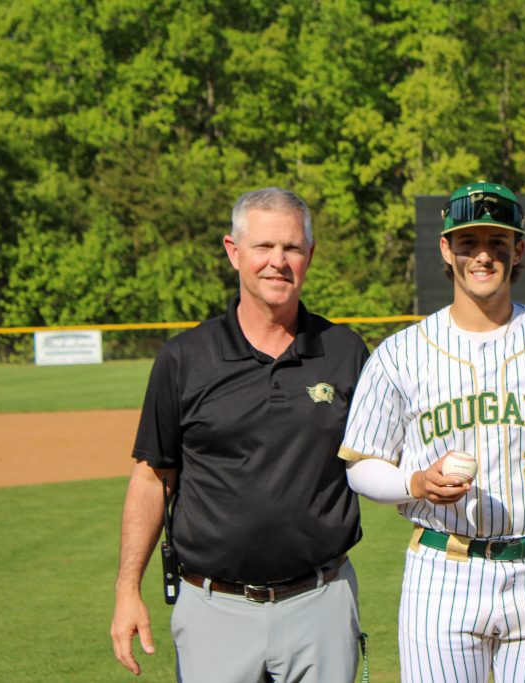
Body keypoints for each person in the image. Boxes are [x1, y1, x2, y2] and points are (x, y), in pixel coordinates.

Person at [338, 181, 525, 682]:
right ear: (446, 250)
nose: (482, 257)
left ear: (518, 250)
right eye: (468, 243)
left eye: (498, 244)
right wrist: (414, 483)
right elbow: (361, 466)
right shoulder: (400, 354)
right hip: (441, 571)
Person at [110, 187, 369, 681]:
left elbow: (384, 459)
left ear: (310, 255)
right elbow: (151, 478)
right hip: (214, 608)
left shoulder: (344, 351)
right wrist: (127, 592)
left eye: (292, 248)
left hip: (322, 601)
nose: (278, 262)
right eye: (263, 247)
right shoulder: (184, 358)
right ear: (234, 252)